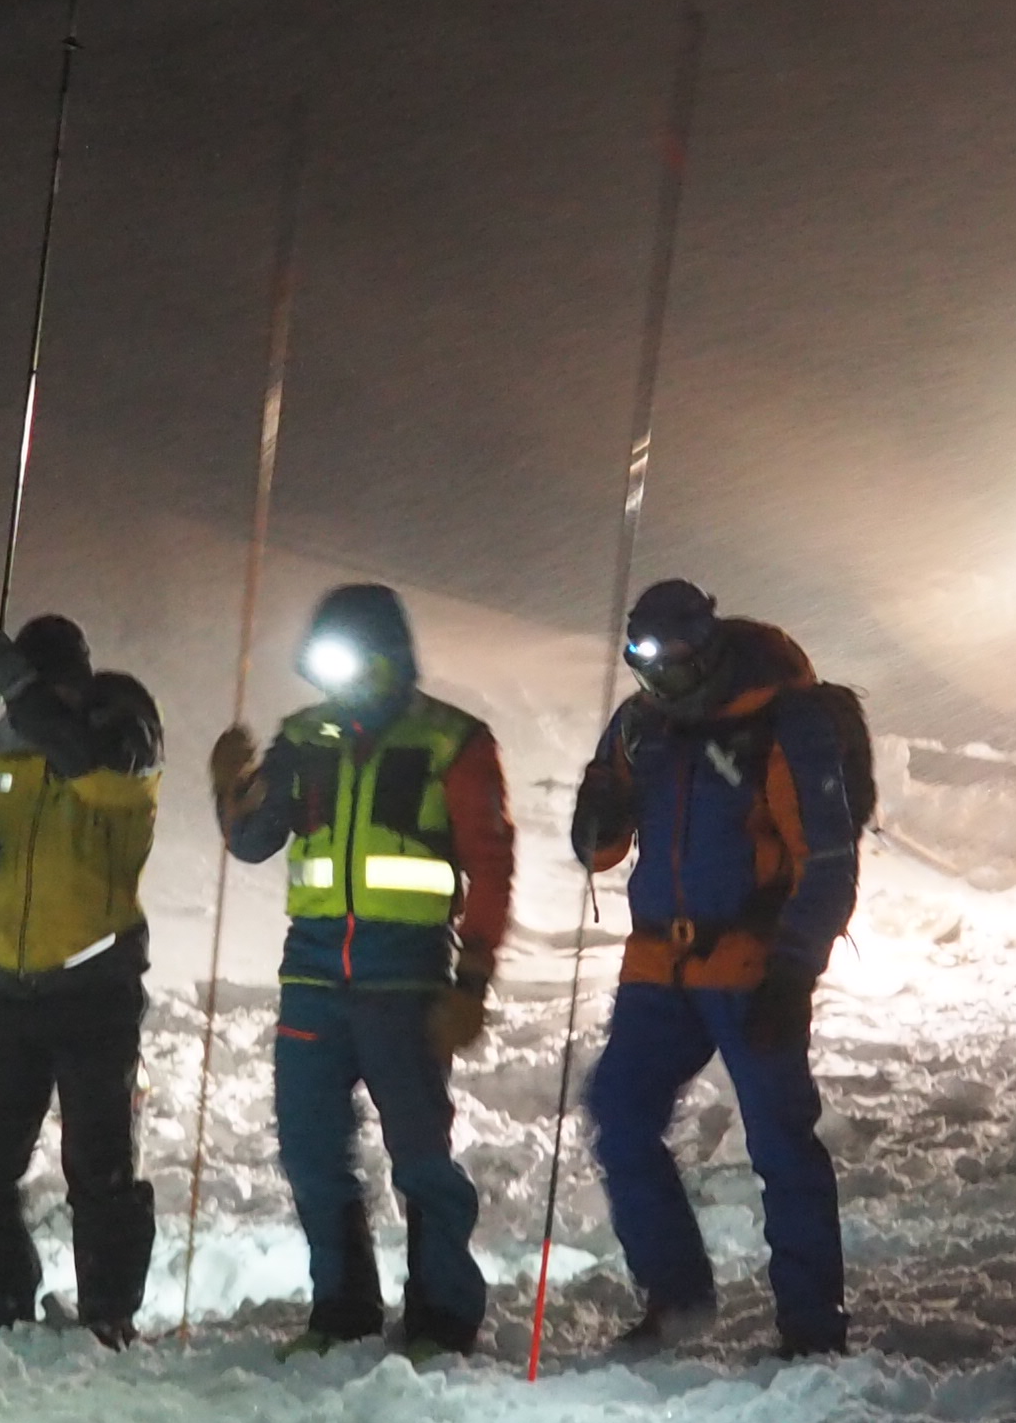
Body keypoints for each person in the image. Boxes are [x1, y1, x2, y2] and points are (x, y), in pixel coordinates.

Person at [212, 581, 517, 1352]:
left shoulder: (453, 739)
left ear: (391, 653)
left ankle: (443, 1316)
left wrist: (472, 981)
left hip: (405, 979)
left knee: (420, 1154)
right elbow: (254, 842)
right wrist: (230, 787)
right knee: (311, 1148)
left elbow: (491, 863)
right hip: (313, 977)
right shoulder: (304, 736)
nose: (341, 674)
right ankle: (342, 1309)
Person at [568, 577, 864, 1358]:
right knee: (619, 1110)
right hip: (659, 965)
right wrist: (593, 811)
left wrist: (794, 970)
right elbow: (601, 849)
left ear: (708, 651)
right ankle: (676, 1295)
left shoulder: (782, 722)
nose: (656, 680)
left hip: (751, 964)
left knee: (779, 1143)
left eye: (670, 663)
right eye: (642, 663)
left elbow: (828, 859)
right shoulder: (642, 728)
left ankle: (811, 1329)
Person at [0, 613, 166, 1343]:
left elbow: (96, 773)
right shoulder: (7, 739)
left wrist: (26, 696)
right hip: (10, 987)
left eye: (45, 686)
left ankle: (108, 1314)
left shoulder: (122, 731)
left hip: (94, 987)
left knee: (99, 1167)